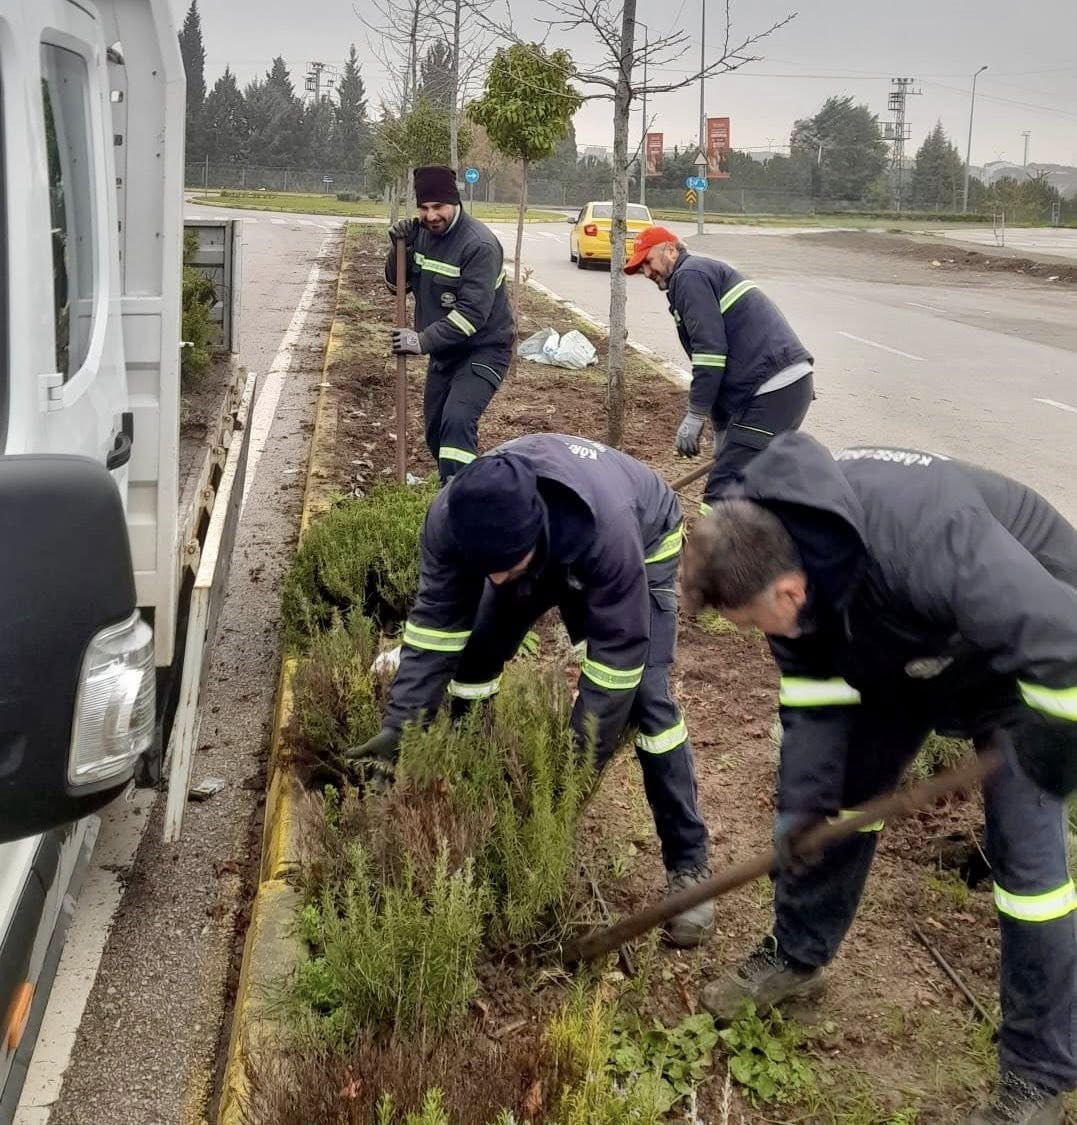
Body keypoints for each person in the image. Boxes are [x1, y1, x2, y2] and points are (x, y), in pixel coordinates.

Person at [680, 432, 1077, 1125]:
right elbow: (813, 695)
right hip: (905, 644)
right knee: (836, 804)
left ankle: (1037, 1077)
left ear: (790, 589)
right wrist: (806, 806)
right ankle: (797, 953)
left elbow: (1063, 642)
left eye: (752, 622)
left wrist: (1044, 754)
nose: (757, 634)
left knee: (1029, 868)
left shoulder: (930, 536)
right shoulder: (774, 552)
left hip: (1033, 656)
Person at [347, 432, 715, 947]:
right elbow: (434, 630)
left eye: (506, 569)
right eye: (488, 571)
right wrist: (402, 725)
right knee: (476, 654)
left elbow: (616, 665)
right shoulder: (452, 520)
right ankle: (473, 777)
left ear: (534, 533)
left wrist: (569, 776)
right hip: (541, 545)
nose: (497, 581)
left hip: (643, 540)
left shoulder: (608, 534)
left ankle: (689, 865)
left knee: (647, 701)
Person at [624, 226, 814, 504]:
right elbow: (717, 367)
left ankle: (710, 533)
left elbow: (710, 354)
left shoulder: (690, 275)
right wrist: (721, 428)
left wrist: (695, 415)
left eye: (648, 262)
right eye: (641, 267)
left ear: (671, 250)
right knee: (756, 481)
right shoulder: (694, 276)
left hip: (773, 389)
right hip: (780, 387)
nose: (646, 272)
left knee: (724, 488)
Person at [385, 165, 514, 482]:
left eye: (438, 207)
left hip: (483, 350)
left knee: (456, 422)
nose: (431, 216)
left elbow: (472, 315)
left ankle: (460, 500)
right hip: (446, 353)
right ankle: (465, 484)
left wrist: (421, 341)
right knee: (436, 432)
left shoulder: (479, 245)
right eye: (424, 208)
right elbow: (396, 286)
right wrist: (399, 249)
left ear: (455, 202)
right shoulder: (422, 235)